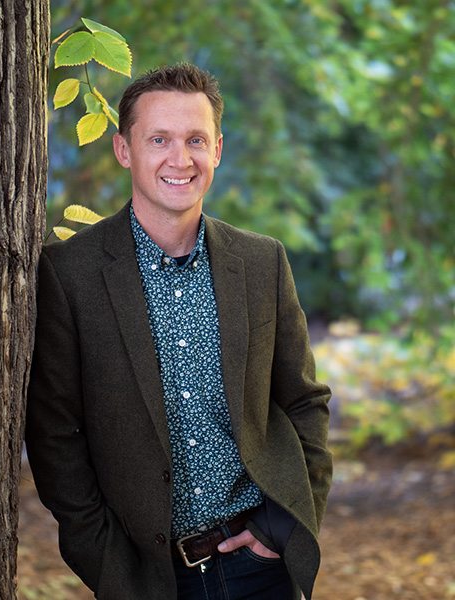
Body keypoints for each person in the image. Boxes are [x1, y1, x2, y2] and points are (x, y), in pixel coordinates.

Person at [25, 63, 332, 600]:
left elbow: (305, 402)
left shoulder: (262, 262)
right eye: (159, 139)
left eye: (195, 139)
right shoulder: (69, 275)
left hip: (262, 567)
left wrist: (281, 530)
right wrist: (109, 565)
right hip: (147, 577)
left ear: (217, 148)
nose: (179, 158)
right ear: (124, 150)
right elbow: (55, 437)